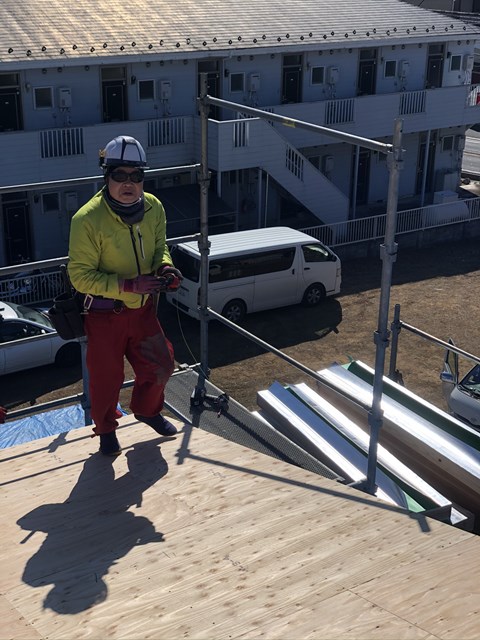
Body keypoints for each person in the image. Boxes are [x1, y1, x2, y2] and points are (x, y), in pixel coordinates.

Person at [68, 135, 183, 456]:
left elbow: (160, 247)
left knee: (161, 365)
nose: (129, 183)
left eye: (136, 175)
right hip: (104, 315)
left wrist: (165, 267)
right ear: (107, 178)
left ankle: (147, 410)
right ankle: (106, 430)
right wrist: (127, 285)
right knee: (106, 379)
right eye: (120, 175)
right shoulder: (87, 220)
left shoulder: (153, 207)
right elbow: (79, 276)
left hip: (142, 310)